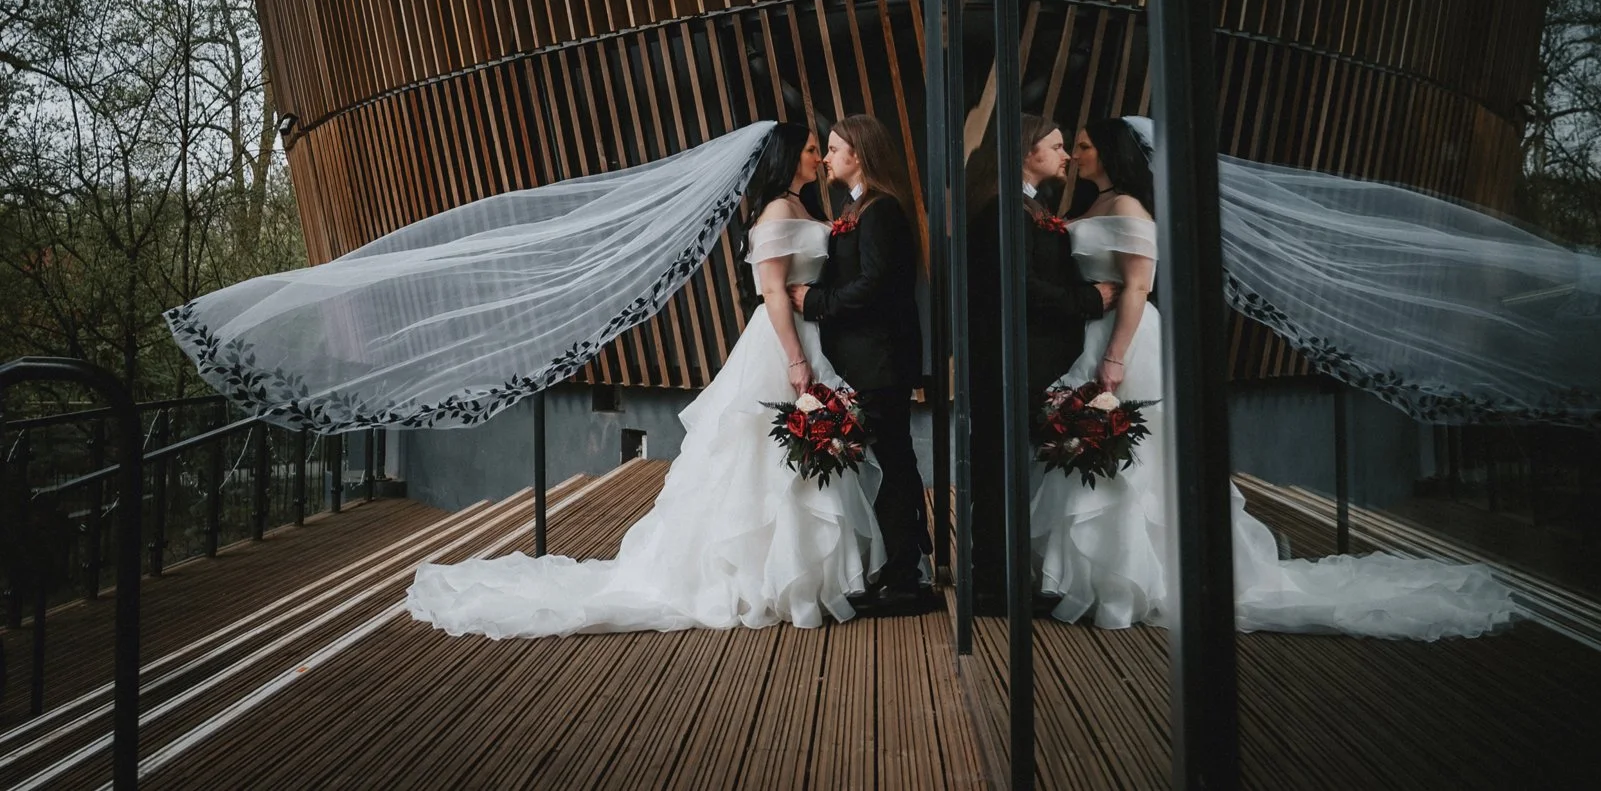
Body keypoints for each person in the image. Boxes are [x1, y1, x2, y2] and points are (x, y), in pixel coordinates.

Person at [1029, 117, 1522, 637]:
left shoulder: (1128, 207)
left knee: (1136, 462)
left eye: (1083, 146)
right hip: (1090, 333)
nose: (1076, 154)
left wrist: (1115, 358)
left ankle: (1135, 580)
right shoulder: (1091, 206)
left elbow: (1136, 287)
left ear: (1110, 152)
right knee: (1092, 450)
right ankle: (1095, 578)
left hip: (1123, 340)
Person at [404, 122, 886, 635]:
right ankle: (769, 577)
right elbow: (771, 293)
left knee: (793, 461)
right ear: (789, 157)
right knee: (762, 459)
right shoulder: (775, 213)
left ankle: (809, 574)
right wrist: (795, 361)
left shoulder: (804, 207)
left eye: (822, 149)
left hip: (810, 334)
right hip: (783, 343)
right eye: (813, 150)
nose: (819, 157)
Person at [963, 115, 1116, 616]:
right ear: (1028, 152)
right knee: (998, 470)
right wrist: (1089, 300)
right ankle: (993, 586)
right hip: (1008, 363)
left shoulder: (1032, 206)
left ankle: (1012, 576)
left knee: (1015, 467)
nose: (1066, 154)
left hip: (1031, 362)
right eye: (1055, 145)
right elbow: (1020, 287)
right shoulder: (1004, 210)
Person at [790, 113, 933, 615]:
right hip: (868, 360)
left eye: (833, 148)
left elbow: (876, 284)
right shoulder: (861, 208)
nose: (826, 157)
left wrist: (815, 301)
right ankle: (904, 568)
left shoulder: (881, 211)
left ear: (859, 155)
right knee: (891, 461)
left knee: (891, 464)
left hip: (880, 360)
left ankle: (906, 582)